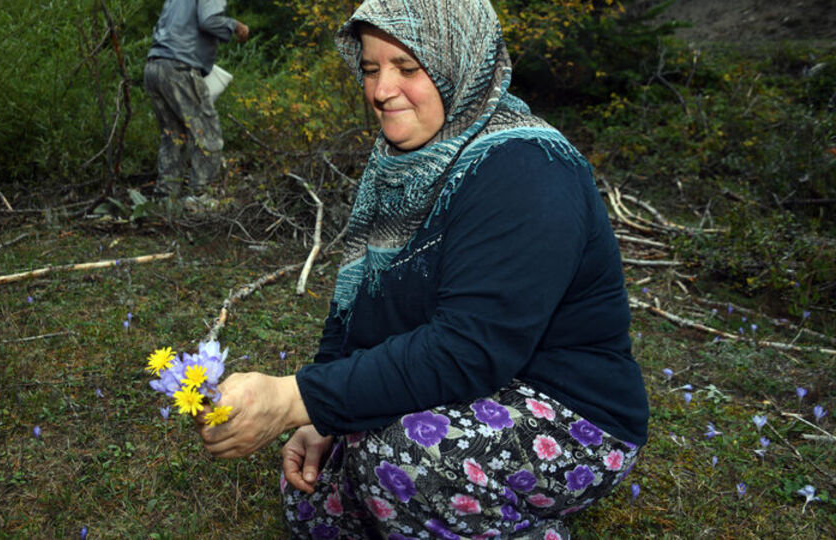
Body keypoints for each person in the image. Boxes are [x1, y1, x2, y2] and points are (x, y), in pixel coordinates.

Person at [197, 0, 649, 538]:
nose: (381, 90)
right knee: (315, 499)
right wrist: (323, 415)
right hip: (471, 386)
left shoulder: (527, 167)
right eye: (370, 68)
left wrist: (296, 397)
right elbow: (360, 306)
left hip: (569, 410)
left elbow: (469, 349)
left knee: (401, 460)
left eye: (408, 68)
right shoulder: (401, 163)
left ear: (461, 62)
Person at [144, 0, 249, 198]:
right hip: (180, 68)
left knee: (172, 136)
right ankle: (200, 197)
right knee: (207, 133)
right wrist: (235, 25)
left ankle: (166, 199)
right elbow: (209, 21)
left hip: (154, 66)